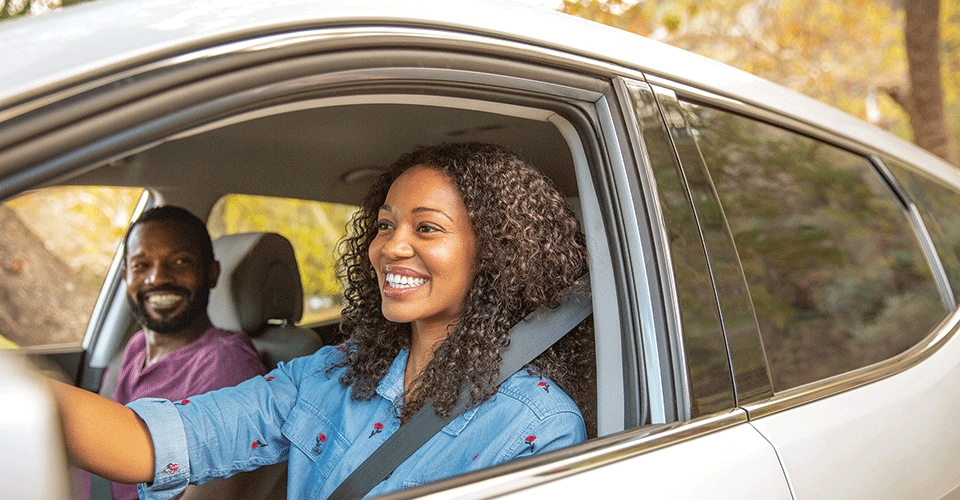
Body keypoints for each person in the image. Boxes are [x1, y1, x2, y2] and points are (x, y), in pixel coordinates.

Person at [52, 142, 594, 499]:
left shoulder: (538, 428)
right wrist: (24, 398)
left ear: (494, 254)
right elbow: (158, 440)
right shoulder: (329, 376)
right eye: (384, 225)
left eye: (427, 228)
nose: (390, 247)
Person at [84, 205, 268, 500]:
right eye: (141, 265)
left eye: (181, 261)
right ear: (125, 276)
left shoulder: (227, 365)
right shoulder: (135, 347)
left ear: (212, 273)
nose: (157, 278)